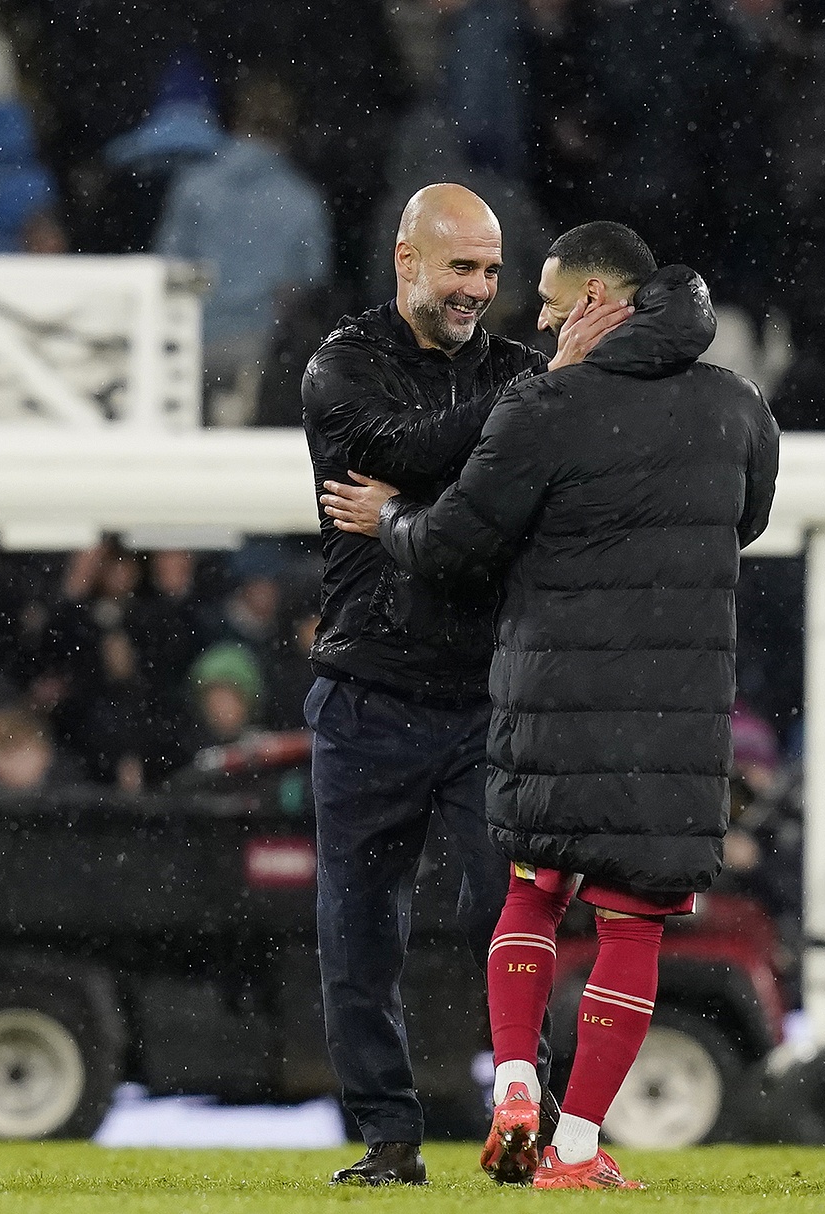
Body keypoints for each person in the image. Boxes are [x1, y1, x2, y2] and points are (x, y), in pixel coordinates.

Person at [323, 221, 779, 1189]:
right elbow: (746, 519)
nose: (533, 318)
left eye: (546, 298)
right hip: (673, 713)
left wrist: (390, 516)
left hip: (549, 697)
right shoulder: (737, 406)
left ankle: (516, 1086)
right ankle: (574, 1147)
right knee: (632, 925)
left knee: (531, 892)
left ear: (594, 302)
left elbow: (454, 541)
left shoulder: (546, 404)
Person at [300, 183, 627, 1186]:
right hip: (366, 698)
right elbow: (402, 450)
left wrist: (425, 496)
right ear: (406, 259)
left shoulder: (518, 373)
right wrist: (512, 424)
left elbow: (504, 494)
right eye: (461, 267)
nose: (479, 288)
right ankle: (390, 1140)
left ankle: (530, 1122)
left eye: (491, 270)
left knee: (515, 919)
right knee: (360, 936)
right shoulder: (342, 365)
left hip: (490, 702)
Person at [156, 76, 332, 425]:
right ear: (289, 129)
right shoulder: (302, 200)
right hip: (258, 350)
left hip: (190, 343)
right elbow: (307, 283)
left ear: (235, 120)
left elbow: (168, 265)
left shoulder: (193, 186)